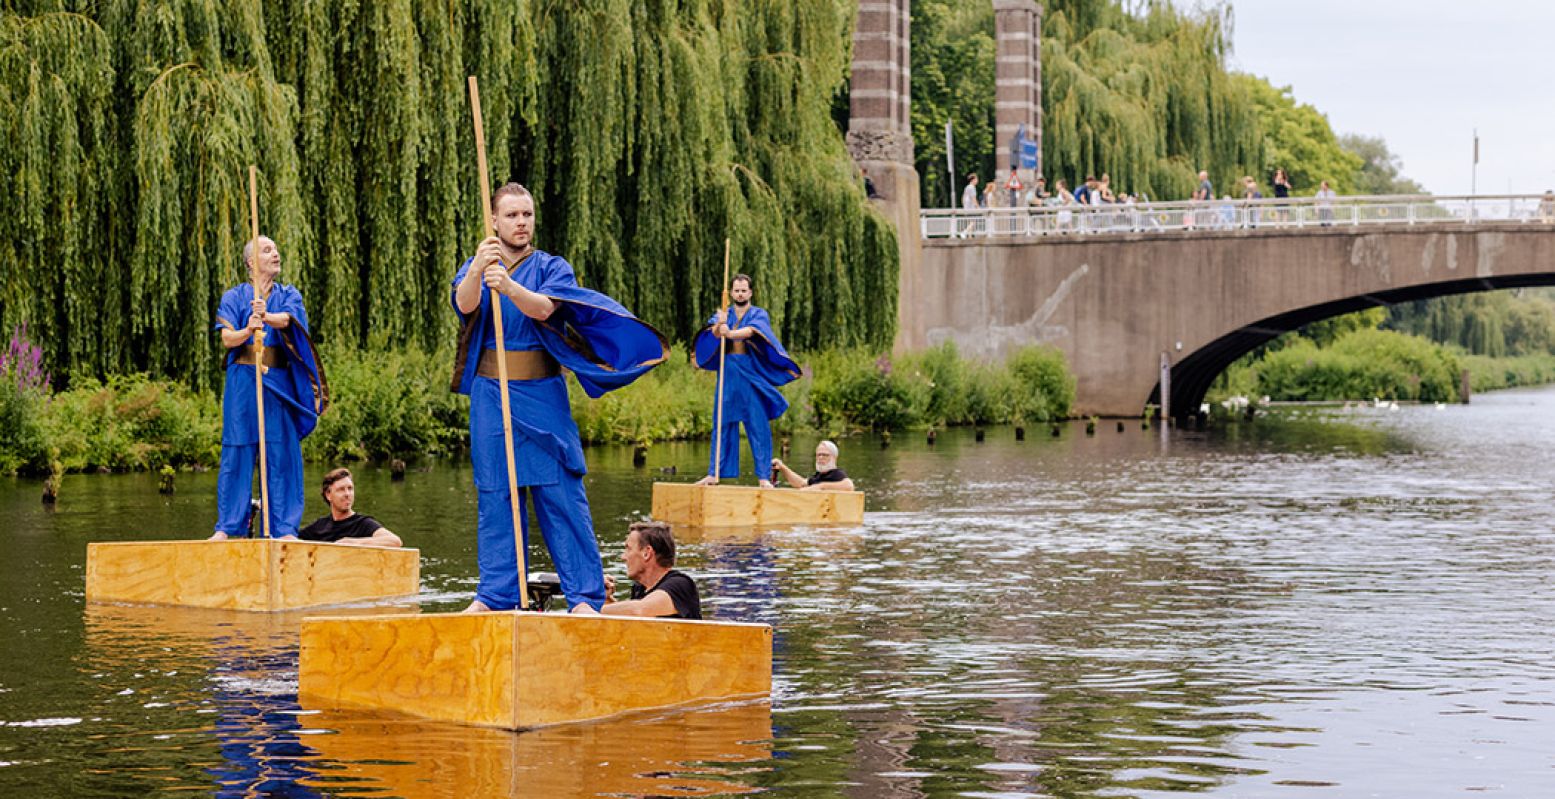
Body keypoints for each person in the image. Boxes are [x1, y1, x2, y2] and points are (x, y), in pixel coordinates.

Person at [451, 182, 668, 613]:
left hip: (542, 392)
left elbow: (546, 309)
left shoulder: (551, 266)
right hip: (491, 395)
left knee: (561, 493)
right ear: (494, 220)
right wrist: (479, 270)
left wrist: (509, 287)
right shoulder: (479, 262)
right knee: (497, 494)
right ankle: (495, 596)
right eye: (511, 215)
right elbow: (464, 304)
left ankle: (584, 597)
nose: (521, 223)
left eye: (526, 215)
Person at [210, 236, 328, 541]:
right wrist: (249, 328)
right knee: (237, 449)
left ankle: (283, 529)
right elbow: (227, 340)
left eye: (276, 248)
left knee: (281, 452)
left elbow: (289, 321)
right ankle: (228, 527)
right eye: (267, 250)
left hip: (277, 381)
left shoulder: (289, 294)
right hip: (243, 382)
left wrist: (266, 316)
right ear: (252, 262)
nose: (276, 253)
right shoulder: (234, 297)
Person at [693, 274, 801, 488]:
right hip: (728, 374)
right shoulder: (725, 313)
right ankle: (714, 473)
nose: (740, 294)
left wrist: (730, 333)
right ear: (731, 292)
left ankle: (763, 477)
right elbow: (712, 333)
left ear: (750, 292)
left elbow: (751, 331)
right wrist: (719, 326)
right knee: (721, 423)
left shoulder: (759, 314)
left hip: (749, 372)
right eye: (736, 290)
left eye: (744, 290)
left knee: (757, 424)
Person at [597, 521, 701, 619]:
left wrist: (586, 610)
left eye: (628, 549)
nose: (623, 557)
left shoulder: (680, 584)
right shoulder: (640, 588)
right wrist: (602, 597)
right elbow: (627, 617)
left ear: (647, 553)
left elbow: (638, 611)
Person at [298, 468, 402, 547]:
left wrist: (353, 542)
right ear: (328, 495)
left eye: (350, 489)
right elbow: (292, 539)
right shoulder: (319, 526)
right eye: (341, 489)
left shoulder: (363, 523)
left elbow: (395, 541)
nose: (347, 494)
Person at [771, 440, 855, 492]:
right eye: (818, 455)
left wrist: (820, 487)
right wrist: (782, 467)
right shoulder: (819, 475)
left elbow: (849, 486)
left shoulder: (837, 474)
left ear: (834, 457)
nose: (821, 458)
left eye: (825, 455)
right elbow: (800, 484)